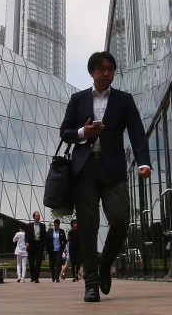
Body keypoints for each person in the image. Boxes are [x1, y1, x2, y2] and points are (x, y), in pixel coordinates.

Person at [60, 51, 151, 303]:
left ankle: (104, 264)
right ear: (92, 72)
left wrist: (143, 161)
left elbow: (136, 132)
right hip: (85, 169)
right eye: (101, 68)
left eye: (110, 68)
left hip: (113, 169)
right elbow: (64, 132)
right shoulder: (78, 99)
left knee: (121, 220)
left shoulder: (124, 99)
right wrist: (83, 132)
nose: (106, 72)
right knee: (87, 227)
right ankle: (91, 283)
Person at [24, 211, 48, 283]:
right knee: (31, 262)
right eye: (37, 216)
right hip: (31, 245)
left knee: (38, 262)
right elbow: (26, 236)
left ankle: (36, 278)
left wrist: (44, 245)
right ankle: (32, 276)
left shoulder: (42, 226)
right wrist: (27, 242)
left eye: (39, 216)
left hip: (39, 245)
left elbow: (44, 236)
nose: (38, 217)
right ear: (34, 217)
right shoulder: (29, 226)